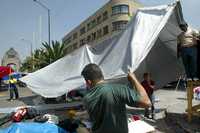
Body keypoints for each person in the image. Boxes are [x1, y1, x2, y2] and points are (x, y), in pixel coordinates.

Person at [80, 63, 151, 133]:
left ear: (88, 82)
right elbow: (147, 103)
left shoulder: (86, 98)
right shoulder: (118, 89)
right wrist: (134, 80)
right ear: (102, 75)